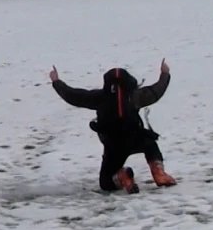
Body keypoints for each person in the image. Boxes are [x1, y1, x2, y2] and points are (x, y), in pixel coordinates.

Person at [48, 59, 177, 194]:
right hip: (135, 138)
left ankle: (121, 176)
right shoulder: (135, 96)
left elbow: (72, 95)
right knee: (150, 144)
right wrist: (165, 73)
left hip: (113, 146)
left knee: (106, 183)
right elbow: (157, 91)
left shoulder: (99, 97)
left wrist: (56, 81)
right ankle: (159, 173)